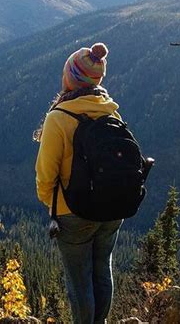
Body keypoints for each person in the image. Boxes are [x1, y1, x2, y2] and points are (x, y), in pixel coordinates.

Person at [34, 42, 122, 324]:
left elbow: (46, 174)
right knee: (102, 271)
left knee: (79, 283)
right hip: (112, 207)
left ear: (70, 77)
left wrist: (53, 206)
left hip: (74, 211)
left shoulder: (59, 117)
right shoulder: (110, 111)